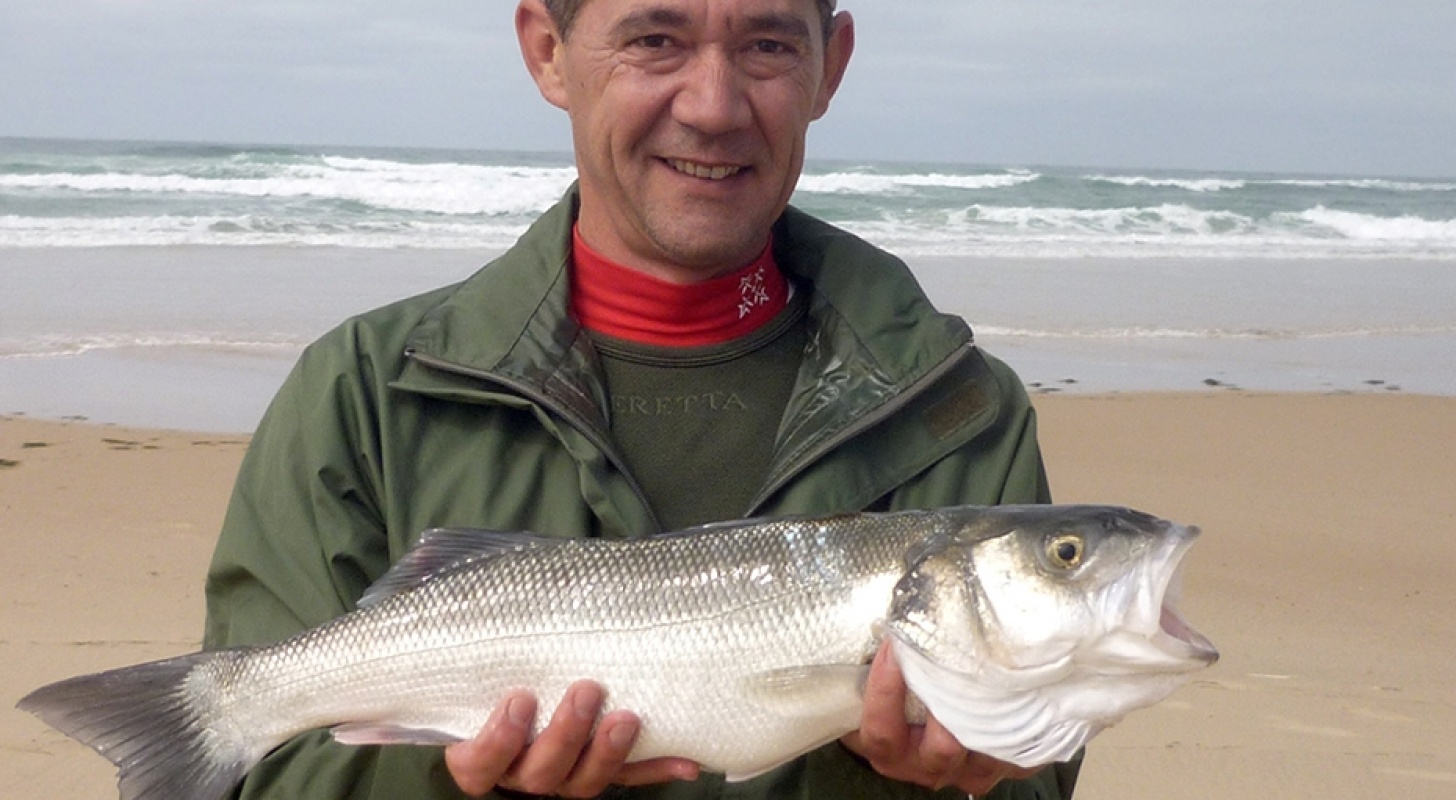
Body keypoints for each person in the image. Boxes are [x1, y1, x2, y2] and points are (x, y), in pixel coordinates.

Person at [203, 0, 1080, 798]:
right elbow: (260, 773)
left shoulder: (957, 410)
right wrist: (457, 786)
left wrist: (945, 784)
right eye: (654, 41)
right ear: (548, 53)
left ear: (832, 66)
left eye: (767, 45)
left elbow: (1039, 772)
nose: (713, 105)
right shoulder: (363, 393)